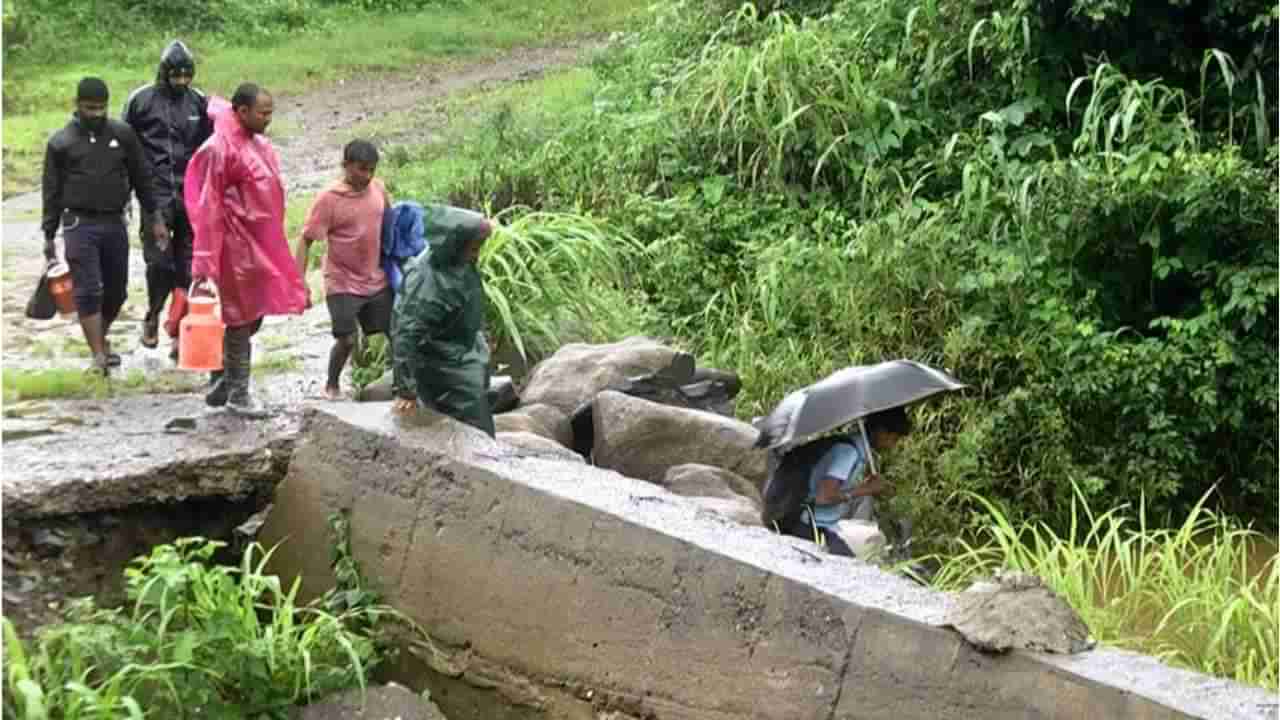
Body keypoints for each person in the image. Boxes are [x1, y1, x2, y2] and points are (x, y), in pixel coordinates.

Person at [186, 83, 307, 416]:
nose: (268, 119)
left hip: (259, 243)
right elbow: (207, 205)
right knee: (240, 317)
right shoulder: (218, 149)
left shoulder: (259, 144)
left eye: (270, 113)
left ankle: (222, 381)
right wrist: (205, 261)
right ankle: (238, 393)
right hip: (232, 246)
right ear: (242, 111)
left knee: (254, 314)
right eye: (263, 113)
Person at [41, 77, 164, 376]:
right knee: (87, 289)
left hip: (113, 222)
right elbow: (51, 192)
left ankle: (101, 336)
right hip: (78, 223)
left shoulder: (122, 134)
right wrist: (49, 235)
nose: (96, 114)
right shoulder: (60, 143)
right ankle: (98, 356)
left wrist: (156, 217)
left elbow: (142, 178)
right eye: (89, 108)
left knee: (117, 291)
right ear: (77, 105)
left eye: (101, 108)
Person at [123, 40, 214, 357]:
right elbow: (124, 148)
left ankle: (179, 329)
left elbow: (211, 148)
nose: (181, 81)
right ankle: (152, 314)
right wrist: (126, 194)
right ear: (164, 73)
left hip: (191, 194)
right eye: (176, 75)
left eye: (187, 75)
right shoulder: (140, 101)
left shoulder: (198, 103)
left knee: (189, 266)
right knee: (159, 264)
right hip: (155, 196)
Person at [294, 139, 393, 400]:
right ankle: (332, 385)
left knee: (397, 330)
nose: (367, 176)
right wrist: (299, 281)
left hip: (375, 278)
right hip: (342, 281)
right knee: (347, 339)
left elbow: (391, 223)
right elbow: (305, 240)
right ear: (346, 165)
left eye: (371, 170)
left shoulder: (378, 189)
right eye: (361, 169)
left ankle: (403, 383)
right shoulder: (329, 199)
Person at [390, 207, 495, 436]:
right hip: (441, 362)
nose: (477, 255)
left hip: (461, 349)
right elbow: (406, 334)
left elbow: (468, 303)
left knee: (474, 412)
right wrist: (405, 390)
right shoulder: (427, 281)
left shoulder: (456, 262)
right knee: (475, 425)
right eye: (473, 248)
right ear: (455, 243)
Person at [774, 407, 912, 557]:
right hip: (808, 525)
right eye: (894, 439)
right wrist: (866, 489)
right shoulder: (848, 452)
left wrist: (868, 487)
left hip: (822, 524)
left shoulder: (856, 449)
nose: (893, 446)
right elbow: (824, 497)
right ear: (881, 432)